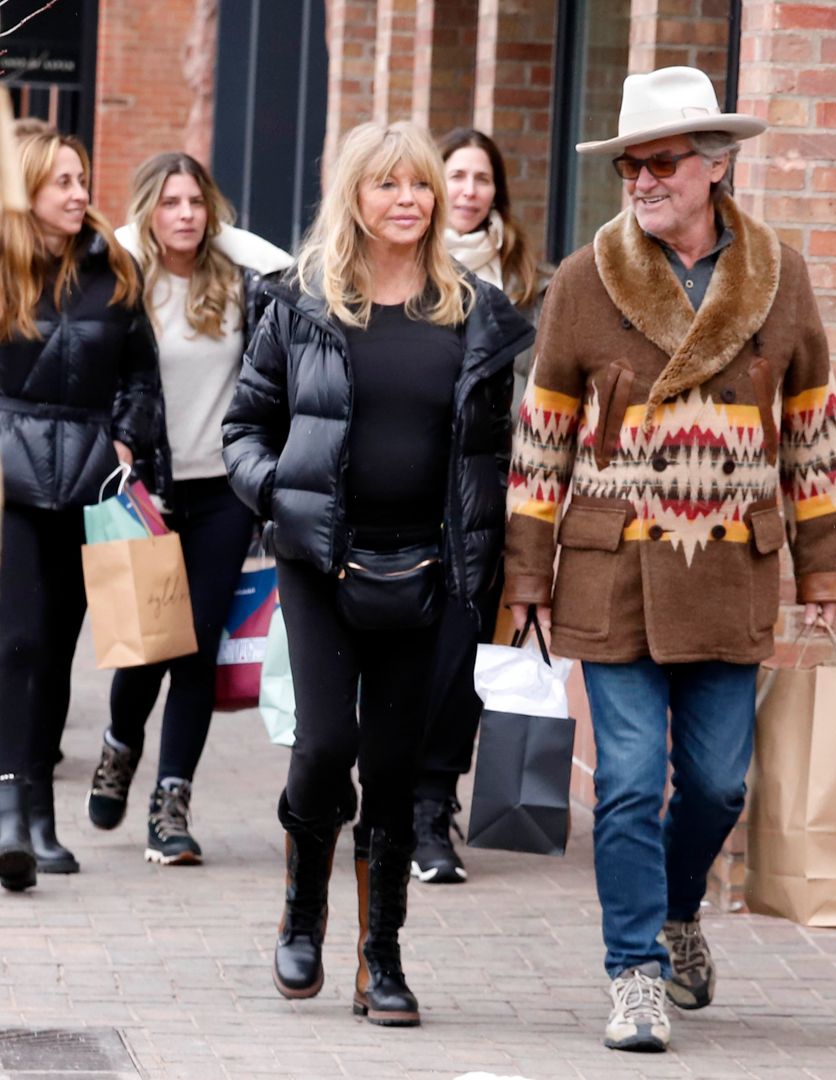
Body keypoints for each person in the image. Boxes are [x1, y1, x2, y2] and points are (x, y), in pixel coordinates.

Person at [503, 66, 836, 1053]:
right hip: (612, 567)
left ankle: (676, 908)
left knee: (715, 785)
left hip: (733, 561)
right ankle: (634, 974)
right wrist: (525, 577)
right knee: (624, 780)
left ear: (717, 165)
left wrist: (825, 570)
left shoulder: (779, 278)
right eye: (629, 165)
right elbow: (542, 442)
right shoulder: (583, 281)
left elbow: (815, 428)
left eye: (660, 162)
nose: (643, 180)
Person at [222, 121, 533, 1025]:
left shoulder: (473, 312)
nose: (409, 200)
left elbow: (493, 450)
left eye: (422, 186)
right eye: (388, 185)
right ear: (354, 197)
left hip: (431, 571)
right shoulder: (302, 304)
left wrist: (493, 556)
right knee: (324, 749)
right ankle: (301, 910)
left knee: (395, 768)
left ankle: (381, 960)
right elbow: (244, 426)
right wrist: (279, 495)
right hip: (323, 562)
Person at [83, 152, 292, 865]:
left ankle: (171, 803)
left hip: (223, 490)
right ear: (147, 211)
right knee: (149, 641)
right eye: (169, 202)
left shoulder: (237, 284)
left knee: (196, 640)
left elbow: (289, 268)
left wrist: (222, 236)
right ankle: (119, 745)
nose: (185, 215)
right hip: (148, 489)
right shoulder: (122, 285)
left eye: (196, 202)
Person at [0, 128, 157, 891]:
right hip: (9, 484)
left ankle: (39, 814)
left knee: (59, 650)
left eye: (82, 178)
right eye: (60, 180)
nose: (78, 193)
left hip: (88, 482)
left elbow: (141, 374)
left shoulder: (113, 269)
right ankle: (6, 805)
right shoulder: (1, 270)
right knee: (19, 641)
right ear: (25, 190)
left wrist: (128, 439)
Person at [409, 128, 549, 885]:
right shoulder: (402, 276)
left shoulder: (531, 283)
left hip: (488, 500)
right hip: (401, 499)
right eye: (453, 175)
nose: (467, 190)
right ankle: (380, 799)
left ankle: (434, 809)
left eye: (481, 178)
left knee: (462, 663)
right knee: (394, 661)